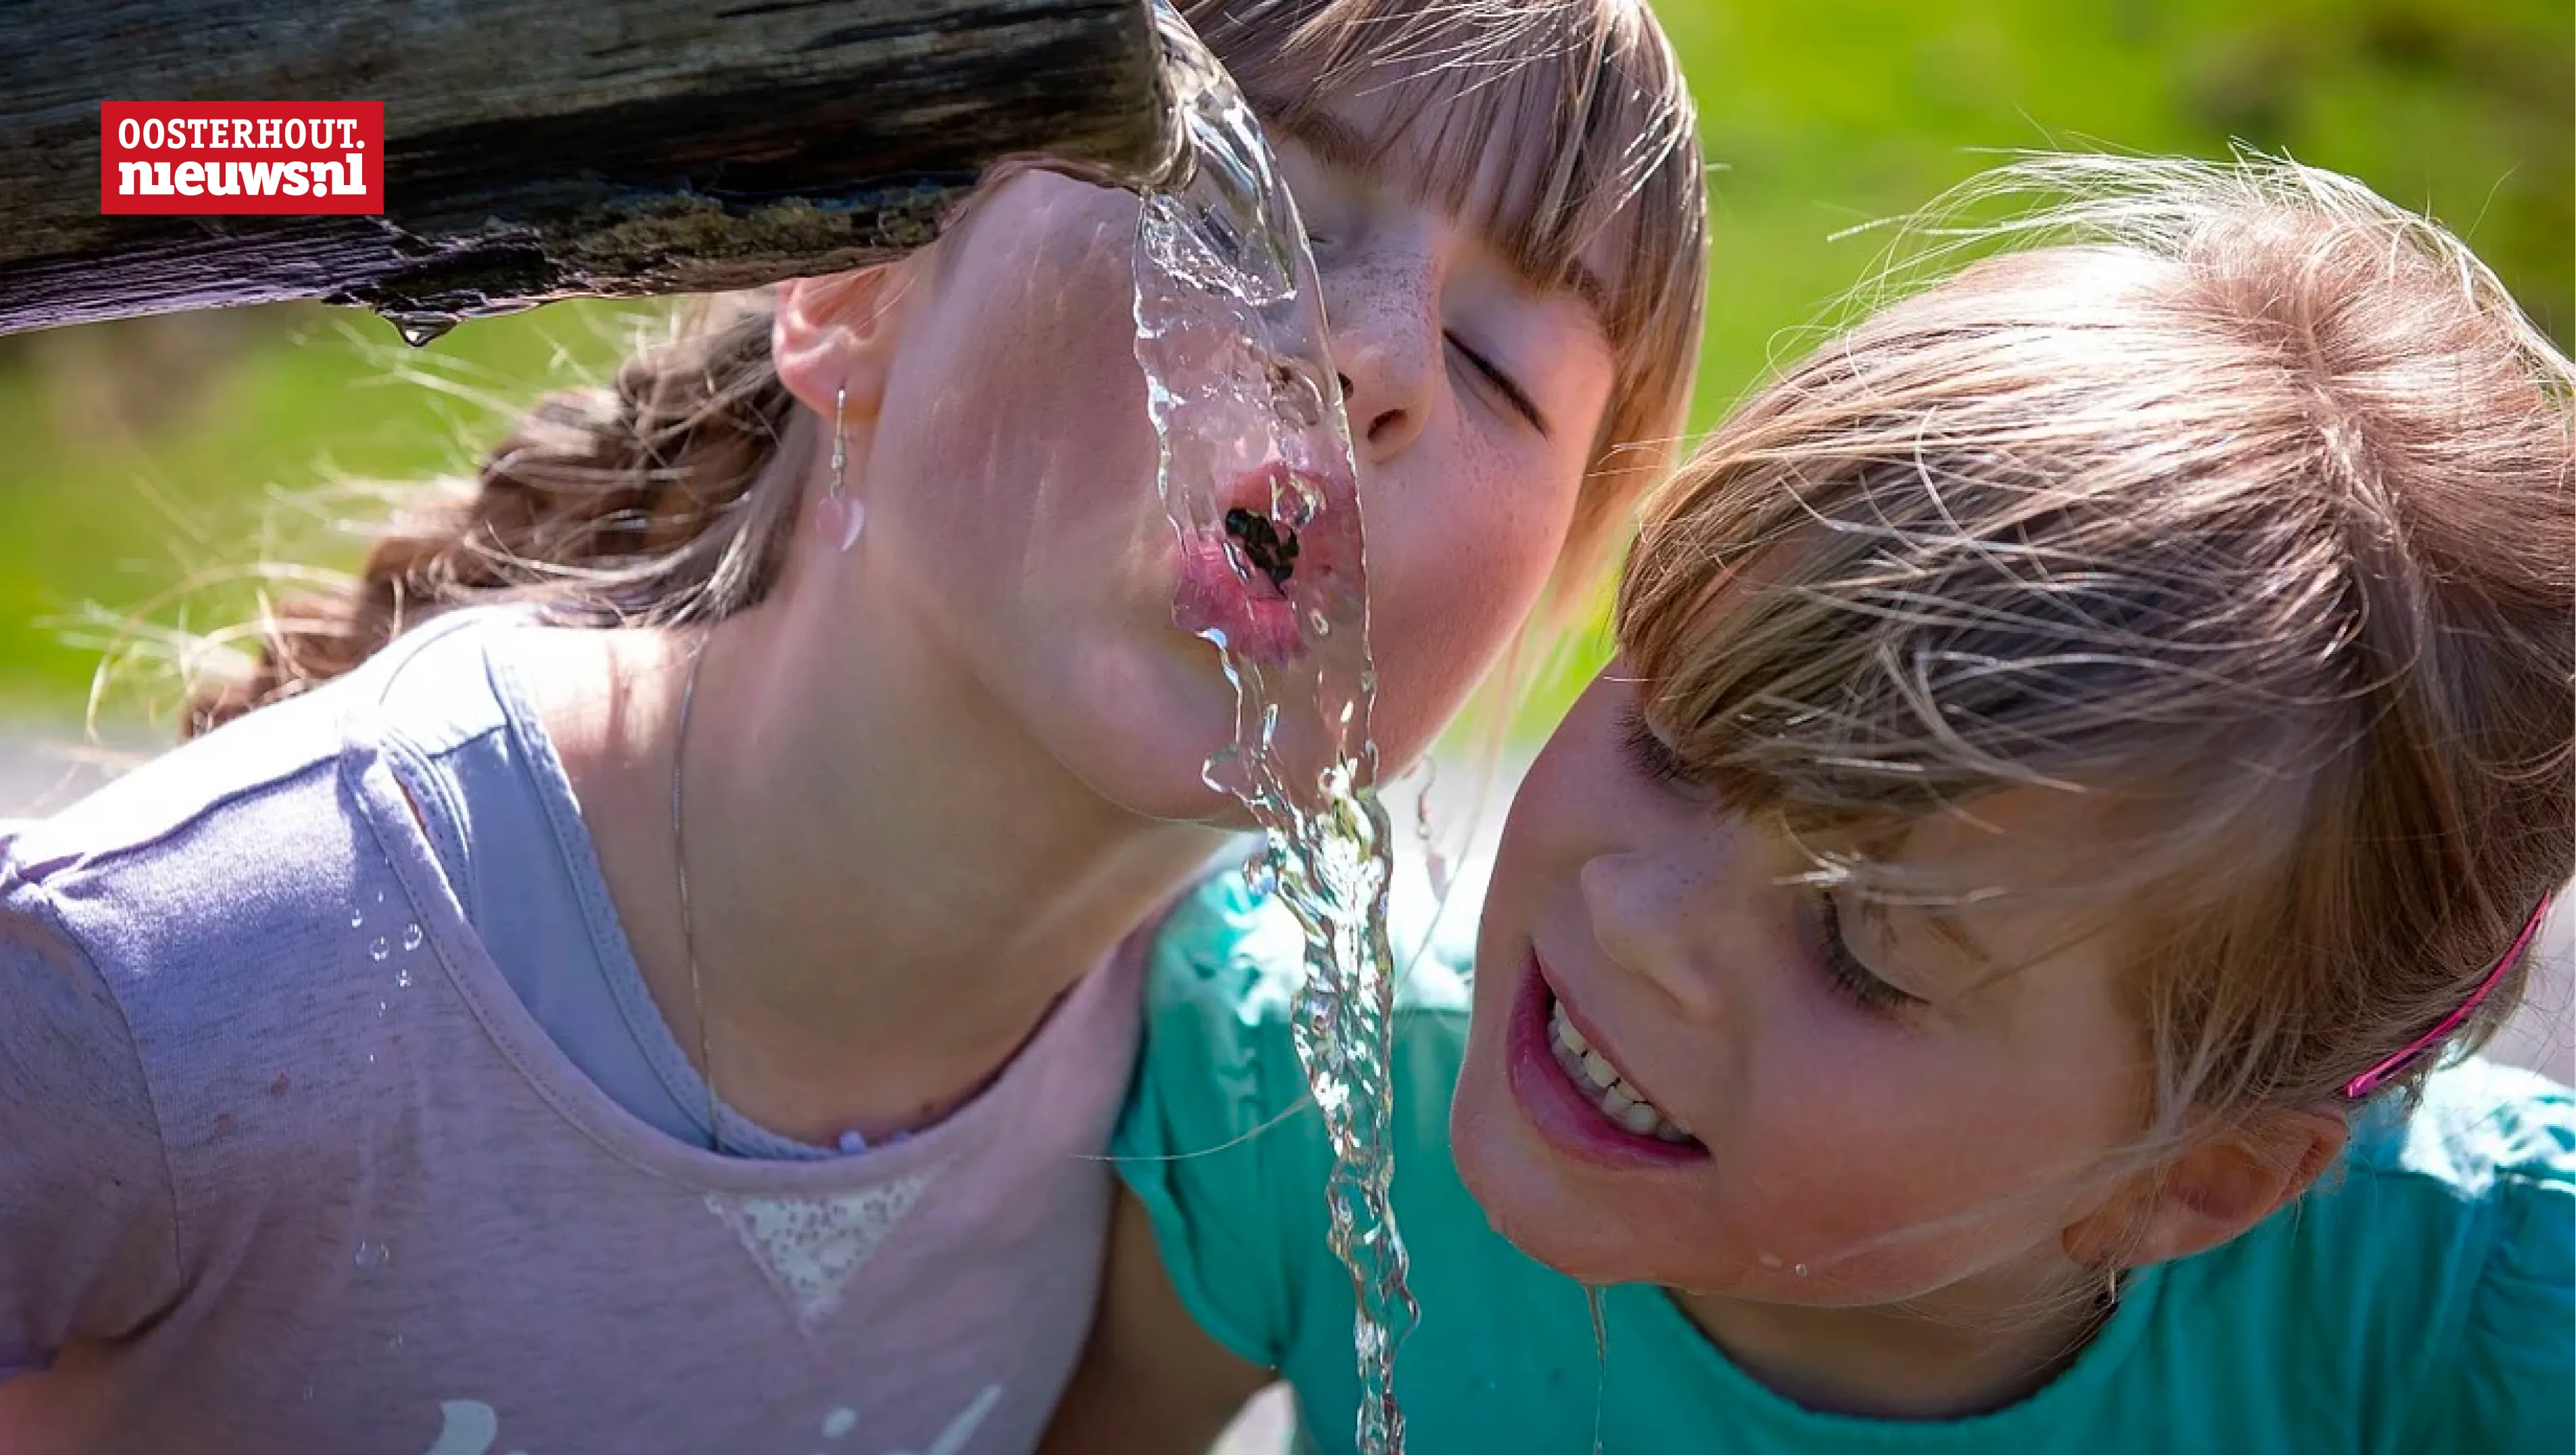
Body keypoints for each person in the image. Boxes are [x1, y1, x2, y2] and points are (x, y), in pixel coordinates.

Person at [0, 2, 1711, 1450]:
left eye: (1495, 366)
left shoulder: (1233, 1109)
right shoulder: (185, 981)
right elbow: (166, 141)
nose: (1367, 360)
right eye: (1238, 206)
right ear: (847, 294)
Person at [1053, 153, 2575, 1454]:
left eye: (1862, 951)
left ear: (2193, 1182)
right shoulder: (1306, 1115)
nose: (1642, 926)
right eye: (1675, 745)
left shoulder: (2463, 1331)